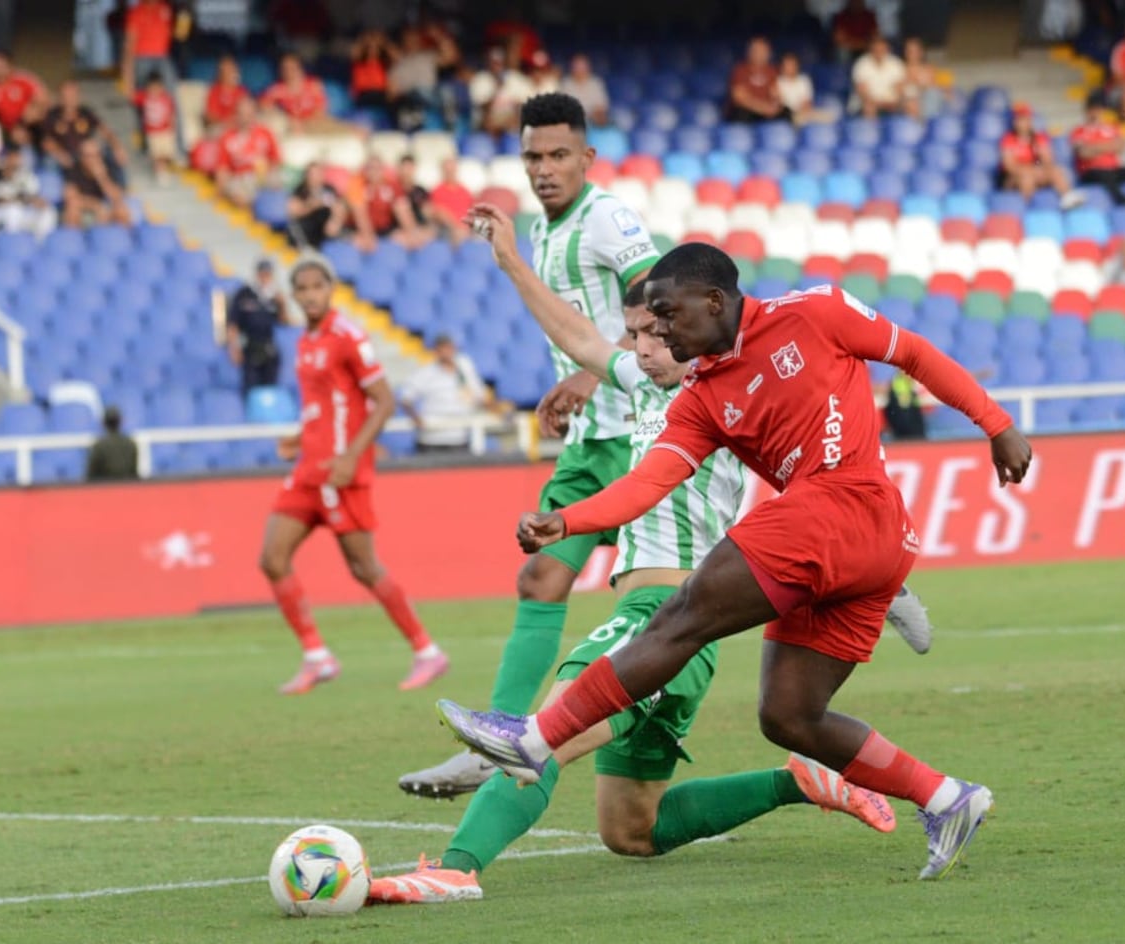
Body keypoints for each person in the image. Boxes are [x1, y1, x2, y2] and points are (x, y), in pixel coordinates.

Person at [438, 242, 1034, 881]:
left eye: (667, 315)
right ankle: (948, 798)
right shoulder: (698, 397)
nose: (660, 331)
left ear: (715, 301)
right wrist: (570, 521)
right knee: (789, 716)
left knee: (680, 616)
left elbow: (911, 352)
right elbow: (649, 483)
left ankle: (535, 739)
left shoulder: (817, 311)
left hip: (844, 505)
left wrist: (995, 423)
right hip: (867, 544)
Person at [379, 273, 896, 903]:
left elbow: (818, 509)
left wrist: (874, 581)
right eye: (633, 335)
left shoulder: (735, 404)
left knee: (541, 741)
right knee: (632, 829)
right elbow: (577, 339)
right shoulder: (646, 391)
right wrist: (510, 259)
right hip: (676, 640)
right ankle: (800, 782)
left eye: (657, 333)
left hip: (664, 620)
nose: (644, 348)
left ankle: (455, 869)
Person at [396, 92, 659, 796]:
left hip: (644, 436)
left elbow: (664, 308)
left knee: (718, 578)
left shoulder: (608, 219)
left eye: (558, 155)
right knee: (541, 574)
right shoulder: (542, 233)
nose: (545, 169)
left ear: (587, 158)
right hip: (592, 444)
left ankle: (857, 574)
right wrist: (571, 390)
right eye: (533, 156)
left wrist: (586, 373)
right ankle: (498, 739)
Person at [262, 252, 448, 695]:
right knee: (271, 558)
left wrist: (350, 457)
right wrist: (299, 436)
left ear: (330, 290)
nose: (309, 295)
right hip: (309, 469)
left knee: (364, 568)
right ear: (294, 295)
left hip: (342, 474)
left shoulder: (348, 337)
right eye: (302, 289)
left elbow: (383, 401)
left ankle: (427, 651)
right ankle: (317, 656)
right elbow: (326, 405)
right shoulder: (305, 341)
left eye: (316, 287)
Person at [398, 334, 500, 452]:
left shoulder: (465, 369)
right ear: (436, 351)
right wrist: (416, 418)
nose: (447, 352)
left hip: (459, 438)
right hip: (432, 439)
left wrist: (497, 409)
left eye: (449, 347)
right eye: (443, 348)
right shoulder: (426, 373)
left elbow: (479, 398)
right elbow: (406, 399)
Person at [1069, 93, 1125, 209]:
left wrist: (1093, 147)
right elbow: (1083, 154)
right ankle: (1122, 202)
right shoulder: (1078, 131)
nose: (1095, 113)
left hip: (1112, 169)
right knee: (1103, 173)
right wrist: (1108, 146)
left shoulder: (1110, 128)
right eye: (1093, 109)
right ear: (1087, 110)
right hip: (1091, 172)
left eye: (1098, 109)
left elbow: (1120, 146)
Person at [121, 0, 180, 149]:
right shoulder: (136, 11)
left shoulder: (165, 8)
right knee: (143, 103)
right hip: (141, 58)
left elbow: (175, 34)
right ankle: (146, 145)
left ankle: (177, 147)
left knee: (172, 101)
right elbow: (129, 44)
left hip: (162, 57)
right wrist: (127, 79)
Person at [42, 81, 129, 182]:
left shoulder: (85, 112)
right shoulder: (52, 115)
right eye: (66, 95)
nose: (69, 99)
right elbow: (46, 141)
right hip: (66, 155)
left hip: (87, 154)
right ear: (60, 98)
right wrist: (59, 153)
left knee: (112, 154)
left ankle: (123, 189)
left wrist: (117, 147)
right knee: (50, 162)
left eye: (73, 95)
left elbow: (106, 131)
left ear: (78, 96)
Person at [227, 259, 288, 396]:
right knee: (250, 389)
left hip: (269, 347)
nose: (265, 278)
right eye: (262, 274)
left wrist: (282, 304)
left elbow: (283, 322)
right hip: (250, 347)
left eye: (268, 274)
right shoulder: (244, 294)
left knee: (270, 390)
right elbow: (233, 323)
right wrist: (234, 348)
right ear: (257, 274)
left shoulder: (274, 296)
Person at [348, 154, 432, 251]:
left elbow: (402, 210)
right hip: (361, 229)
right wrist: (368, 236)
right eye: (371, 168)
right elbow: (360, 213)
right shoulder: (358, 185)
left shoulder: (391, 186)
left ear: (383, 170)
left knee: (409, 239)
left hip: (385, 229)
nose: (374, 172)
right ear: (365, 170)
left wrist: (412, 232)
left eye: (377, 168)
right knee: (359, 242)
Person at [1000, 103, 1079, 204]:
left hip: (1036, 172)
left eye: (1027, 119)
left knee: (1055, 171)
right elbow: (1009, 166)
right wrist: (1030, 170)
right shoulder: (1008, 139)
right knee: (1026, 177)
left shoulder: (1039, 137)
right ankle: (1026, 207)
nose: (1024, 123)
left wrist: (1042, 166)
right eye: (1020, 119)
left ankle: (1068, 198)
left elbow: (1048, 159)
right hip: (1015, 177)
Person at [214, 97, 280, 207]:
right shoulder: (227, 137)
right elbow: (223, 169)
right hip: (240, 179)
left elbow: (276, 160)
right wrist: (220, 190)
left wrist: (266, 174)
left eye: (249, 114)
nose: (245, 118)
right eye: (242, 114)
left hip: (262, 176)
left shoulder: (265, 133)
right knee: (236, 191)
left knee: (277, 181)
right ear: (236, 115)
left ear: (254, 115)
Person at [61, 139, 131, 228]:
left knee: (122, 210)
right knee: (72, 209)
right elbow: (70, 197)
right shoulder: (73, 170)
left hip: (106, 205)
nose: (93, 159)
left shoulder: (109, 167)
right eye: (89, 156)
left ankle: (120, 240)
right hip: (86, 206)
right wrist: (96, 206)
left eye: (97, 155)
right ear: (82, 157)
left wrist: (101, 177)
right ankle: (74, 239)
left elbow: (117, 197)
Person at [260, 54, 333, 134]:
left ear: (300, 68)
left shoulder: (314, 85)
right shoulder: (277, 89)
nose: (289, 72)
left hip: (314, 124)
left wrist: (305, 123)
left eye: (292, 68)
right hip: (291, 126)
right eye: (285, 68)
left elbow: (320, 110)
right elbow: (263, 105)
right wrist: (288, 119)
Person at [0, 144, 57, 238]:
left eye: (16, 157)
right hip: (0, 213)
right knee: (13, 211)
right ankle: (11, 245)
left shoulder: (26, 175)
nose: (14, 161)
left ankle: (38, 245)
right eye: (10, 157)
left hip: (23, 210)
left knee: (48, 211)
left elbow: (33, 196)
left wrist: (38, 201)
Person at [469, 47, 533, 136]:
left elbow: (523, 105)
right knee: (489, 123)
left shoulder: (515, 78)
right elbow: (484, 109)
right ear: (488, 63)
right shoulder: (480, 79)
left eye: (499, 63)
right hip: (488, 122)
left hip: (511, 120)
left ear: (504, 63)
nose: (496, 66)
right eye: (493, 63)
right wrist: (496, 89)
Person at [726, 36, 791, 124]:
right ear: (749, 52)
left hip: (765, 111)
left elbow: (775, 93)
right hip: (749, 110)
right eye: (756, 51)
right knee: (740, 113)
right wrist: (762, 108)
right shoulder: (740, 70)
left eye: (763, 51)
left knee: (786, 111)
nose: (760, 54)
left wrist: (775, 105)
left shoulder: (771, 71)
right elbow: (739, 97)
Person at [287, 162, 350, 249]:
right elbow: (293, 211)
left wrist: (335, 221)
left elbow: (340, 207)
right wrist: (311, 205)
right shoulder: (300, 190)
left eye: (318, 174)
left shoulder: (329, 190)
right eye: (312, 174)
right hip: (306, 230)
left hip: (324, 231)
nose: (314, 177)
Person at [0, 49, 47, 148]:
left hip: (31, 130)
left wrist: (23, 125)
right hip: (5, 134)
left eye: (1, 66)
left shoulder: (22, 80)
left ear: (10, 65)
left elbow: (43, 100)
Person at [135, 71, 176, 181]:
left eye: (157, 87)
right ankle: (160, 173)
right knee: (157, 154)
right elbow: (131, 96)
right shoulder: (144, 97)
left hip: (166, 131)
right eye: (151, 87)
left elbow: (171, 113)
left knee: (166, 154)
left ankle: (164, 169)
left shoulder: (166, 98)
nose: (154, 90)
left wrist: (172, 128)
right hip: (152, 133)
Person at [852, 35, 905, 119]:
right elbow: (862, 92)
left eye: (882, 49)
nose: (879, 52)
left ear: (887, 49)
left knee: (911, 104)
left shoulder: (896, 63)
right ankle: (870, 131)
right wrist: (878, 103)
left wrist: (893, 102)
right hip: (867, 102)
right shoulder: (862, 64)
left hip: (891, 102)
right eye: (876, 49)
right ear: (871, 49)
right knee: (869, 107)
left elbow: (899, 89)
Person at [86, 406, 139, 482]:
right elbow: (134, 475)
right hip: (127, 489)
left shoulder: (98, 446)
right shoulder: (131, 444)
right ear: (120, 421)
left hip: (104, 490)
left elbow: (90, 476)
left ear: (104, 423)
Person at [427, 157, 473, 243]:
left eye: (452, 170)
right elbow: (438, 213)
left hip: (466, 229)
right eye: (447, 170)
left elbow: (471, 211)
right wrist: (455, 227)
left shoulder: (465, 191)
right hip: (446, 230)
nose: (450, 173)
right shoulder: (437, 191)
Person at [350, 29, 396, 111]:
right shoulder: (359, 62)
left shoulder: (384, 64)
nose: (373, 49)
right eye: (370, 47)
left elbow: (396, 56)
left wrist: (383, 41)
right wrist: (365, 39)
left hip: (380, 95)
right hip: (363, 95)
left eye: (376, 47)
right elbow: (354, 52)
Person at [559, 53, 608, 126]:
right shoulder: (566, 84)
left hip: (593, 123)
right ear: (572, 68)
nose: (580, 70)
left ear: (588, 68)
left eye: (582, 67)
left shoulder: (596, 83)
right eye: (577, 66)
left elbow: (601, 107)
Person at [205, 55, 247, 132]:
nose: (232, 72)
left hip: (240, 127)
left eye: (233, 69)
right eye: (227, 69)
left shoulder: (242, 91)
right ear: (220, 73)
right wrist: (225, 122)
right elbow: (210, 116)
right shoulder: (215, 91)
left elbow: (248, 112)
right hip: (222, 128)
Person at [883, 373, 926, 440]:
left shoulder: (904, 384)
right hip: (907, 431)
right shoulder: (899, 385)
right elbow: (905, 408)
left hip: (905, 430)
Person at [776, 52, 815, 125]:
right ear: (782, 67)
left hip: (805, 113)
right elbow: (780, 104)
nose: (789, 68)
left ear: (797, 66)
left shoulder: (804, 80)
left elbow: (807, 102)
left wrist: (804, 111)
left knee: (830, 117)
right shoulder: (778, 82)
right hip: (788, 116)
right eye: (787, 65)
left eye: (792, 65)